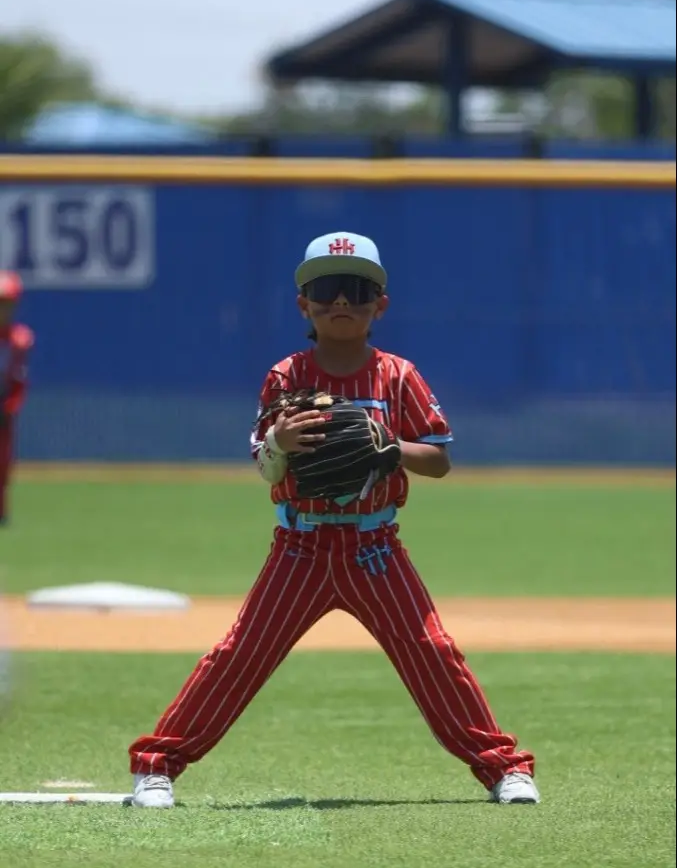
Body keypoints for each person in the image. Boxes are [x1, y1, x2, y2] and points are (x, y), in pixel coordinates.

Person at [129, 232, 539, 808]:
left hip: (374, 547)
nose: (341, 301)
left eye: (356, 289)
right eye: (325, 289)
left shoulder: (397, 376)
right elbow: (267, 468)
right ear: (304, 304)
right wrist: (279, 441)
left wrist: (390, 446)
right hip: (300, 546)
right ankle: (156, 766)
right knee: (240, 654)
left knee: (432, 651)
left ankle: (503, 767)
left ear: (380, 305)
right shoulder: (286, 376)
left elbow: (439, 460)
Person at [0, 272, 34, 527]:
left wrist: (10, 406)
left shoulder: (19, 340)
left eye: (8, 304)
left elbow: (19, 380)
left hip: (3, 410)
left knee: (3, 462)